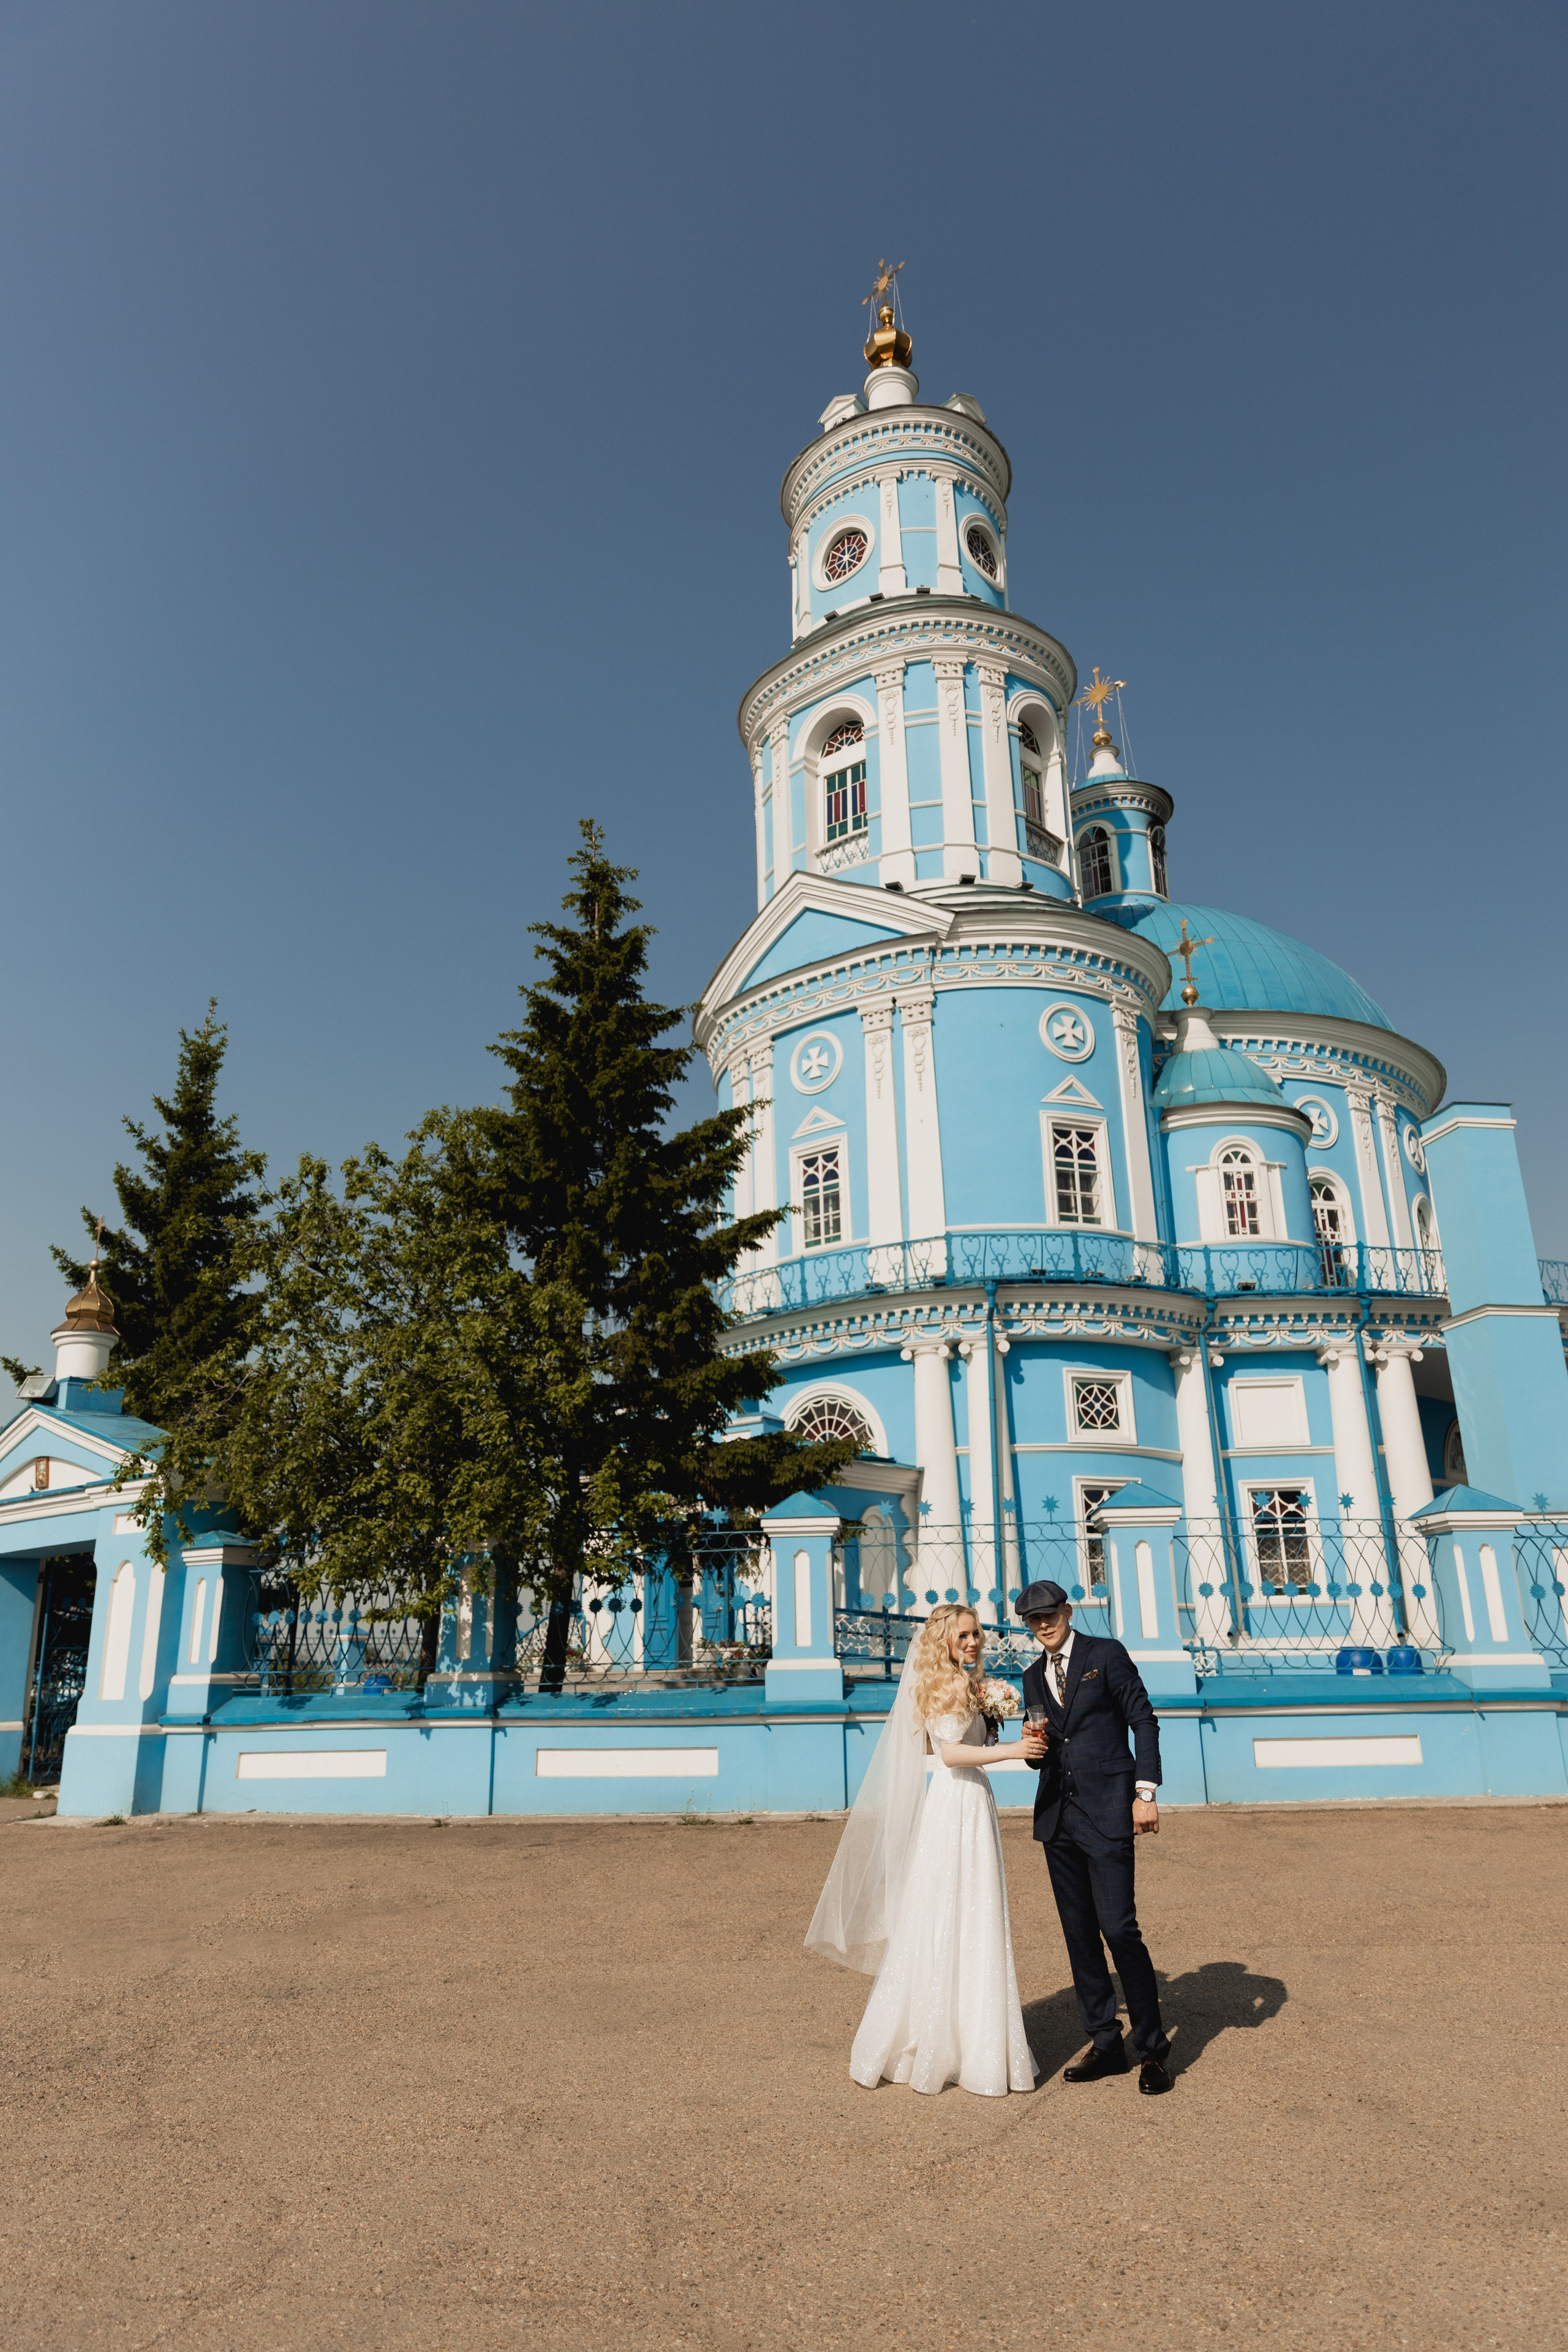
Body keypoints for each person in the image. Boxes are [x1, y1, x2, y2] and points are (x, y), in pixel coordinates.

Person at [805, 1602, 1039, 2097]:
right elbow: (951, 1754)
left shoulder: (965, 1684)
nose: (973, 1642)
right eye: (963, 1637)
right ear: (944, 1643)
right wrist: (1012, 1750)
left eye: (976, 1634)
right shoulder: (948, 1685)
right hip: (956, 1803)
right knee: (953, 1913)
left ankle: (959, 2037)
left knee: (962, 1914)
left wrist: (992, 1721)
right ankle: (946, 2042)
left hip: (968, 1803)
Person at [1017, 1577, 1174, 2095]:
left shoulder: (1105, 1654)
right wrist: (1026, 1745)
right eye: (1033, 1619)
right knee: (1079, 1935)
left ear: (1068, 1609)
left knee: (1119, 1928)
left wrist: (1145, 1792)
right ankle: (1106, 2041)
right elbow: (1041, 1737)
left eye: (1050, 1614)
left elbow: (1142, 1720)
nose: (1043, 1624)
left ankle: (1152, 2050)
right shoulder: (1031, 1677)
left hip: (1109, 1810)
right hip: (1058, 1819)